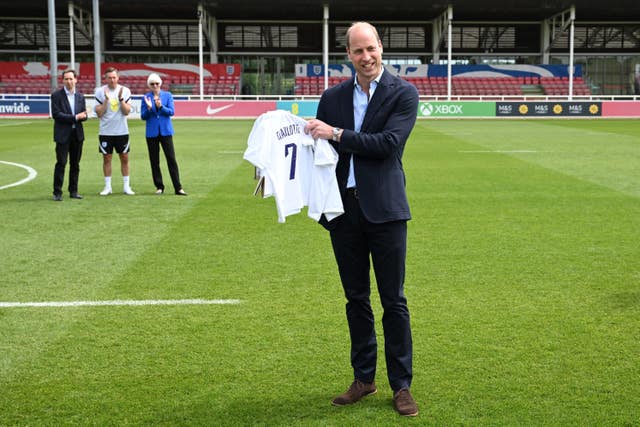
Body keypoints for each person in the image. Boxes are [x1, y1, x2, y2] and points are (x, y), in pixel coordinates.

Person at [304, 22, 420, 417]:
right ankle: (364, 378)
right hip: (343, 211)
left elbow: (387, 146)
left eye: (371, 49)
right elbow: (314, 153)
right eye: (358, 51)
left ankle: (401, 386)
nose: (366, 57)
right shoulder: (332, 96)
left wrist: (336, 133)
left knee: (394, 301)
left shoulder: (403, 93)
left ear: (381, 48)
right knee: (356, 299)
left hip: (386, 211)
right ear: (348, 55)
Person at [140, 73, 187, 195]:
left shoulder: (167, 95)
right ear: (149, 85)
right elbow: (143, 116)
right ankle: (159, 186)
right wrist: (150, 109)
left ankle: (178, 187)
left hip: (166, 131)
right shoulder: (146, 98)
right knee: (154, 161)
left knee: (171, 159)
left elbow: (171, 112)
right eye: (152, 84)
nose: (155, 85)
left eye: (157, 83)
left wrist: (160, 107)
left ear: (160, 84)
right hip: (151, 133)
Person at [94, 67, 134, 195]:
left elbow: (126, 111)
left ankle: (126, 186)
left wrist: (121, 99)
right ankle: (107, 187)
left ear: (118, 77)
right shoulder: (99, 91)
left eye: (114, 77)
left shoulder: (125, 91)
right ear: (105, 78)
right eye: (109, 77)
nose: (112, 80)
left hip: (122, 131)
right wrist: (106, 100)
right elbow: (99, 113)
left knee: (124, 157)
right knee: (107, 158)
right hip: (105, 131)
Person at [50, 69, 88, 201]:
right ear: (63, 80)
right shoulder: (56, 96)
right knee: (61, 163)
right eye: (66, 79)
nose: (69, 81)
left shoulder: (80, 97)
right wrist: (76, 117)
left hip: (77, 134)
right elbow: (57, 115)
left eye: (71, 78)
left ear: (76, 80)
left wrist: (83, 116)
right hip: (62, 135)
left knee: (75, 164)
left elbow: (83, 116)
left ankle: (73, 191)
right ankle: (57, 192)